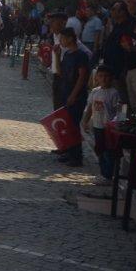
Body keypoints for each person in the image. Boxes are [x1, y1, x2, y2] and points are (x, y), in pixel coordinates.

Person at [82, 63, 122, 184]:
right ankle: (102, 172)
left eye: (106, 76)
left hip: (108, 128)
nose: (104, 79)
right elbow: (90, 107)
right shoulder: (94, 92)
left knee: (108, 151)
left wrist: (117, 124)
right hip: (97, 125)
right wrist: (85, 120)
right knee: (99, 149)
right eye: (101, 76)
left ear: (111, 78)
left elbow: (119, 111)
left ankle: (108, 175)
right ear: (96, 78)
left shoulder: (114, 93)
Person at [57, 27, 90, 167]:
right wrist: (56, 56)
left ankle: (77, 156)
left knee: (74, 125)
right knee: (68, 124)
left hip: (76, 95)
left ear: (70, 38)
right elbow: (60, 73)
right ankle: (70, 153)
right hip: (66, 91)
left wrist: (74, 94)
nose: (61, 41)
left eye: (63, 38)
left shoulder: (81, 55)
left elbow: (82, 77)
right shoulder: (67, 54)